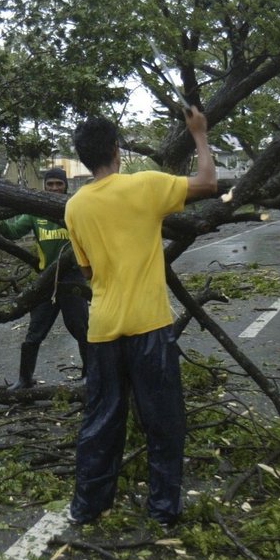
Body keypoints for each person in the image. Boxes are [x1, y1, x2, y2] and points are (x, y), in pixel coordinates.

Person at [64, 106, 217, 527]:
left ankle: (88, 507)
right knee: (163, 420)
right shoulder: (145, 187)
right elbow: (208, 183)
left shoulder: (74, 208)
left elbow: (88, 270)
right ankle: (163, 510)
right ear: (116, 149)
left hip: (103, 328)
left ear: (83, 157)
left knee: (101, 419)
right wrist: (199, 134)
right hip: (148, 324)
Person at [0, 167, 89, 389]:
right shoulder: (34, 213)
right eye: (50, 184)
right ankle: (24, 379)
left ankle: (90, 376)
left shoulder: (75, 209)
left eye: (59, 184)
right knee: (34, 332)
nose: (55, 188)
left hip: (73, 279)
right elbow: (13, 232)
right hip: (46, 280)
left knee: (81, 329)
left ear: (65, 185)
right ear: (44, 186)